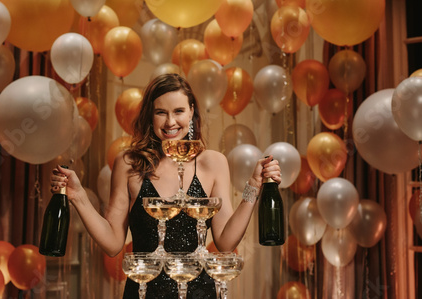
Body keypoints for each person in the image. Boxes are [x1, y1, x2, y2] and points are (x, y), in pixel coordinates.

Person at [50, 73, 281, 298]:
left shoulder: (213, 163)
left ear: (191, 111)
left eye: (179, 111)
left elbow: (226, 243)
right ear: (151, 116)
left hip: (199, 292)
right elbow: (112, 244)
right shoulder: (129, 164)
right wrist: (78, 196)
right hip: (144, 291)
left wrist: (253, 186)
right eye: (161, 112)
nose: (170, 122)